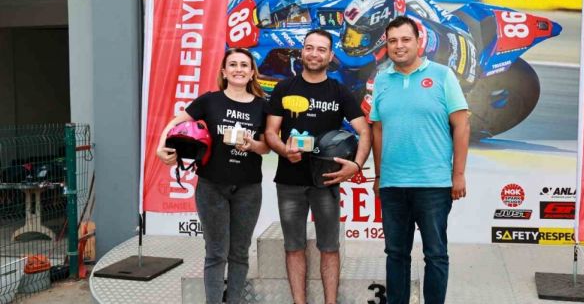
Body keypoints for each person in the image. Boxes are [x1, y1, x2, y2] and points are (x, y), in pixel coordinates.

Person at [264, 29, 372, 304]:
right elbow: (271, 132)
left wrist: (356, 165)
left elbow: (364, 131)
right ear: (302, 51)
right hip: (289, 181)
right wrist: (283, 150)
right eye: (309, 48)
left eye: (321, 49)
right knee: (293, 247)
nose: (314, 54)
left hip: (326, 180)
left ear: (331, 55)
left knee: (329, 247)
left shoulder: (339, 91)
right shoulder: (284, 88)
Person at [156, 48, 270, 304]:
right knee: (216, 253)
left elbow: (266, 147)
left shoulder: (262, 106)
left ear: (252, 73)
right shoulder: (209, 101)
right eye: (233, 64)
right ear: (224, 72)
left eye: (244, 65)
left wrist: (252, 145)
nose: (239, 69)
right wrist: (160, 148)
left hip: (248, 188)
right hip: (212, 186)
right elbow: (174, 123)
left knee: (239, 253)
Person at [370, 16, 470, 304]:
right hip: (393, 185)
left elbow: (462, 125)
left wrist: (458, 174)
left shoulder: (442, 75)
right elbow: (377, 129)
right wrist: (379, 176)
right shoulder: (382, 80)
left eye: (405, 39)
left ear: (418, 42)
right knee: (396, 254)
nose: (399, 46)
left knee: (435, 254)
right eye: (392, 41)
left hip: (433, 184)